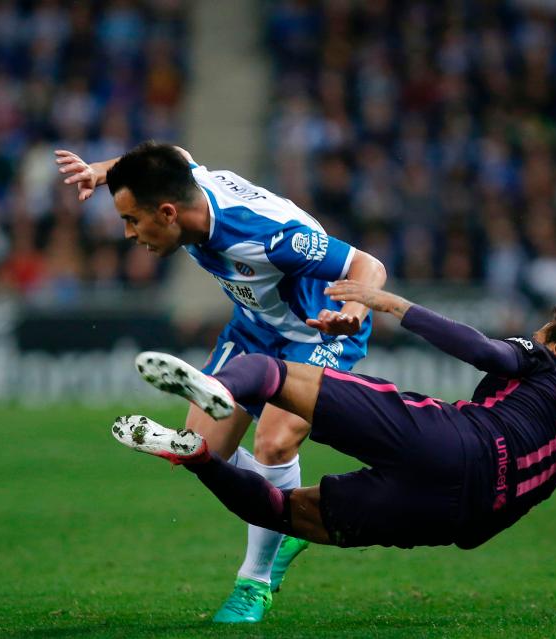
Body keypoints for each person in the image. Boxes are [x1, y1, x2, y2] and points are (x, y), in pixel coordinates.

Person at [57, 142, 386, 622]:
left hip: (318, 331)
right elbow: (172, 151)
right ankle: (292, 511)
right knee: (202, 450)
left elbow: (368, 266)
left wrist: (353, 312)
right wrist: (103, 172)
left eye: (132, 220)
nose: (128, 233)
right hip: (255, 327)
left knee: (274, 443)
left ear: (168, 213)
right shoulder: (187, 186)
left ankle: (255, 581)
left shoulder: (270, 236)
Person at [114, 281, 556, 561]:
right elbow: (482, 532)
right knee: (281, 512)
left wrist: (393, 304)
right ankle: (200, 455)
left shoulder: (543, 363)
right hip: (449, 516)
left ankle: (219, 396)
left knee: (274, 374)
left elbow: (484, 351)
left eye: (542, 329)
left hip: (451, 442)